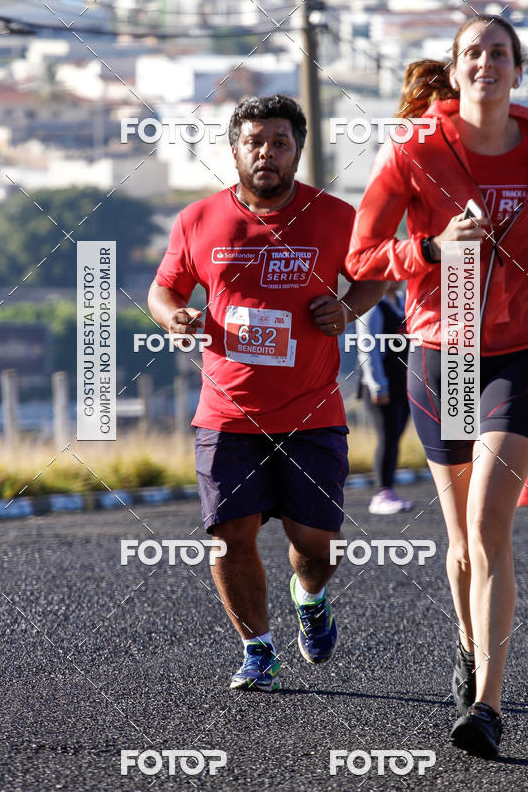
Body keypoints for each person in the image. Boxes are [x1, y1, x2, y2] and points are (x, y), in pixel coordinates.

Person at [346, 14, 528, 757]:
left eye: (500, 53)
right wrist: (429, 247)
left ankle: (487, 707)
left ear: (519, 69)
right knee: (458, 545)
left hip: (524, 350)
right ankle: (467, 644)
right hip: (443, 351)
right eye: (473, 52)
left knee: (488, 528)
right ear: (456, 69)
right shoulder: (415, 150)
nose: (487, 62)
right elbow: (362, 252)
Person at [149, 94, 385, 692]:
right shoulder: (198, 219)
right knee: (231, 536)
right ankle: (258, 649)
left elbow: (376, 276)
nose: (266, 153)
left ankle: (310, 598)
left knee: (314, 547)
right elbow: (163, 290)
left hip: (312, 412)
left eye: (279, 142)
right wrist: (173, 318)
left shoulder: (336, 215)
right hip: (226, 412)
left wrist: (346, 308)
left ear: (298, 150)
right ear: (234, 150)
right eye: (254, 142)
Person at [356, 282, 413, 514]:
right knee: (387, 438)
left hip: (403, 384)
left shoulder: (403, 303)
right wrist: (378, 386)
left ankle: (388, 491)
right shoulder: (373, 308)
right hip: (382, 386)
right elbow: (368, 350)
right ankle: (383, 494)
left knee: (396, 437)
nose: (398, 278)